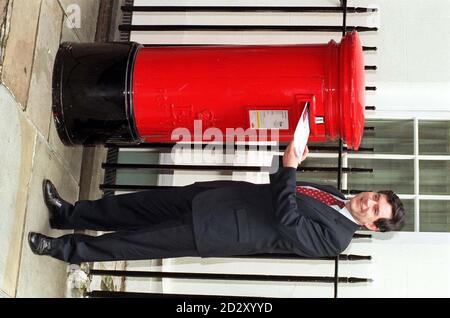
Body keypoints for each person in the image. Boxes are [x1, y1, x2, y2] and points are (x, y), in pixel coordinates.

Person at [28, 141, 405, 264]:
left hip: (220, 229)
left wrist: (289, 170)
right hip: (218, 197)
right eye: (377, 197)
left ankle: (63, 249)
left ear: (373, 226)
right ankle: (68, 213)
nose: (370, 202)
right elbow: (280, 188)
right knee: (136, 206)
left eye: (376, 210)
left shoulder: (336, 240)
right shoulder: (338, 196)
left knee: (135, 241)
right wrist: (289, 157)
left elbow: (287, 220)